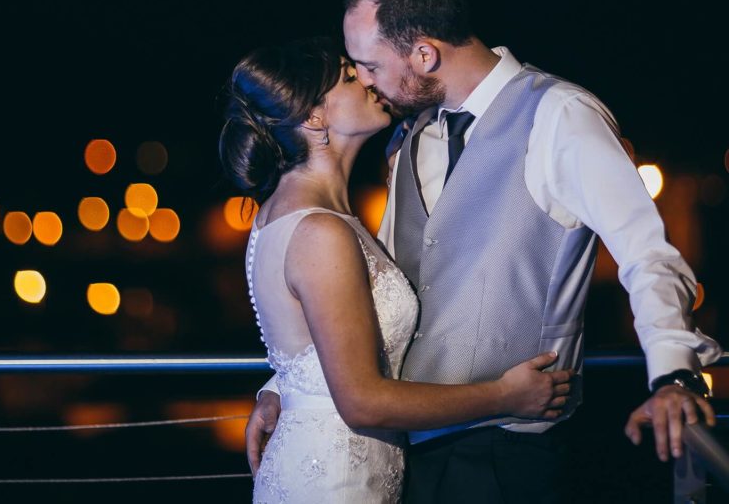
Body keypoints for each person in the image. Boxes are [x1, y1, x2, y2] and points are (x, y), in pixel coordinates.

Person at [245, 0, 722, 503]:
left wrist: (672, 377)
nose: (366, 82)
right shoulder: (407, 135)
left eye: (368, 66)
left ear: (423, 54)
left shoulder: (560, 115)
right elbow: (369, 294)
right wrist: (289, 387)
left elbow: (648, 255)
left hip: (509, 455)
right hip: (404, 452)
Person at [220, 37, 573, 504]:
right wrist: (506, 396)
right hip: (336, 484)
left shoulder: (294, 212)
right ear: (314, 118)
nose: (367, 78)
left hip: (342, 470)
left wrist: (280, 389)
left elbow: (306, 352)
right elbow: (362, 400)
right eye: (349, 77)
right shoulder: (319, 231)